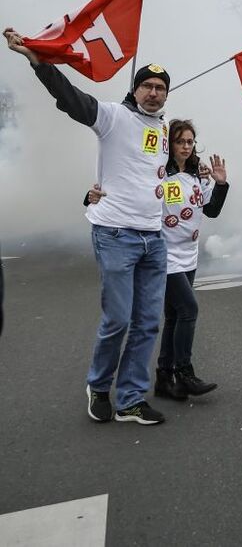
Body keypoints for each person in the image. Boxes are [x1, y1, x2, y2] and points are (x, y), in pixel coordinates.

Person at [5, 27, 171, 426]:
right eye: (146, 86)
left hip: (154, 238)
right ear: (135, 90)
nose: (153, 92)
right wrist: (38, 60)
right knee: (118, 319)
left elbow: (156, 172)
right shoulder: (112, 116)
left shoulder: (163, 128)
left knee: (148, 322)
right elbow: (71, 99)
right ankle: (99, 387)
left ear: (167, 94)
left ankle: (130, 399)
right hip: (116, 234)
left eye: (160, 88)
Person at [88, 119, 229, 401]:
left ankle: (165, 378)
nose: (186, 147)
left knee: (175, 315)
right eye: (180, 141)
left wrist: (221, 183)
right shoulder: (157, 174)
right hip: (163, 254)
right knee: (189, 309)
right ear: (169, 145)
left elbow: (211, 211)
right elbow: (125, 194)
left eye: (190, 142)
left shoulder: (198, 175)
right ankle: (185, 372)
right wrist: (91, 197)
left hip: (189, 255)